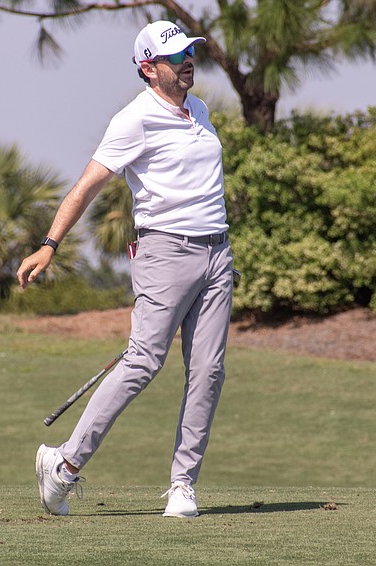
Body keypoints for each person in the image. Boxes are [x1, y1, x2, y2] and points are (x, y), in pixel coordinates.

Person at [16, 20, 234, 519]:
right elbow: (88, 185)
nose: (186, 60)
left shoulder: (197, 109)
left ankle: (183, 485)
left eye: (189, 52)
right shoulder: (133, 119)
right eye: (175, 55)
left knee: (209, 371)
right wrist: (49, 244)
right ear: (148, 68)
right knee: (143, 363)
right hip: (165, 254)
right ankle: (65, 467)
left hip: (217, 256)